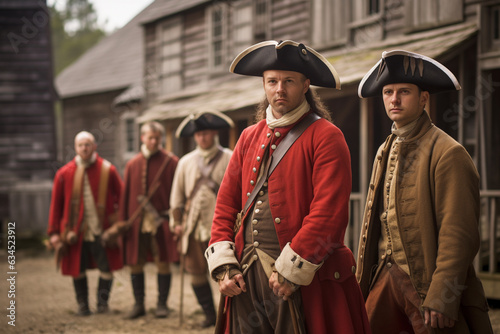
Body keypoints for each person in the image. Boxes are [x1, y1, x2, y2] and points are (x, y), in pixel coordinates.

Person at [205, 40, 371, 333]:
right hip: (246, 274)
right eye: (272, 81)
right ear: (264, 84)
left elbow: (328, 214)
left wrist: (291, 270)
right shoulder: (247, 137)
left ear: (306, 84)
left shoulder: (326, 136)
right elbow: (226, 205)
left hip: (301, 277)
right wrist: (224, 266)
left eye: (289, 81)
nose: (279, 89)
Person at [356, 50, 493, 334]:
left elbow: (459, 234)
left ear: (423, 99)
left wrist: (443, 295)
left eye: (404, 91)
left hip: (426, 285)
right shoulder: (385, 149)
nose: (394, 99)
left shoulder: (449, 152)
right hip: (384, 278)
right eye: (388, 92)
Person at [47, 131, 123, 315]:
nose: (84, 148)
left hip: (102, 230)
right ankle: (83, 306)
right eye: (81, 145)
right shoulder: (64, 174)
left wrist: (118, 226)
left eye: (88, 144)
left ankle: (102, 304)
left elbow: (122, 197)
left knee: (107, 268)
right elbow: (56, 205)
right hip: (74, 232)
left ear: (94, 146)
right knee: (77, 268)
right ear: (75, 148)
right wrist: (54, 233)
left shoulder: (108, 170)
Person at [170, 110, 234, 327]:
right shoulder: (185, 162)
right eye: (198, 135)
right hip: (193, 227)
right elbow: (176, 197)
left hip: (222, 228)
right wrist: (177, 223)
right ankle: (209, 314)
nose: (202, 138)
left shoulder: (229, 157)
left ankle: (228, 316)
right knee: (196, 272)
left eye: (206, 133)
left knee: (226, 272)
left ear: (214, 133)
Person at [120, 121, 179, 319]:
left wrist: (176, 221)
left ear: (161, 138)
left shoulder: (171, 162)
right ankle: (139, 305)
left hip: (160, 222)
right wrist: (123, 221)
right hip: (136, 223)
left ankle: (162, 305)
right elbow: (126, 195)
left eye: (156, 138)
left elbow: (178, 195)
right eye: (149, 137)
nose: (153, 141)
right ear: (142, 138)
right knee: (135, 263)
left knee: (163, 262)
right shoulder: (132, 164)